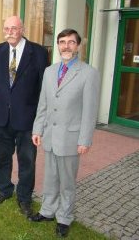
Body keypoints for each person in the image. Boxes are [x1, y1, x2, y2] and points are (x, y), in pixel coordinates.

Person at [29, 29, 100, 238]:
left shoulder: (88, 73)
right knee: (50, 177)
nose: (66, 46)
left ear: (78, 46)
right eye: (62, 42)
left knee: (67, 182)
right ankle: (47, 211)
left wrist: (85, 139)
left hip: (71, 137)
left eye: (71, 42)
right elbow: (43, 104)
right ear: (58, 45)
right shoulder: (50, 71)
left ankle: (64, 217)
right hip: (50, 136)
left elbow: (90, 110)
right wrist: (37, 129)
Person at [0, 16, 48, 217]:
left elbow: (43, 87)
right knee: (1, 157)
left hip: (27, 118)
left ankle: (24, 197)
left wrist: (41, 118)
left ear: (22, 29)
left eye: (14, 28)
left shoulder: (38, 52)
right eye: (6, 28)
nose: (9, 32)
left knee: (27, 160)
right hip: (1, 117)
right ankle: (4, 189)